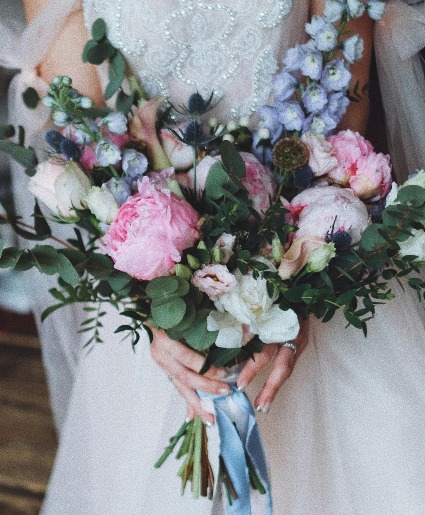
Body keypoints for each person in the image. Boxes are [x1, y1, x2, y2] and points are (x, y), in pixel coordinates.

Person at [3, 1, 425, 514]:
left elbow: (344, 118)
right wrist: (154, 310)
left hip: (312, 271)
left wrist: (295, 291)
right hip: (155, 291)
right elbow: (82, 135)